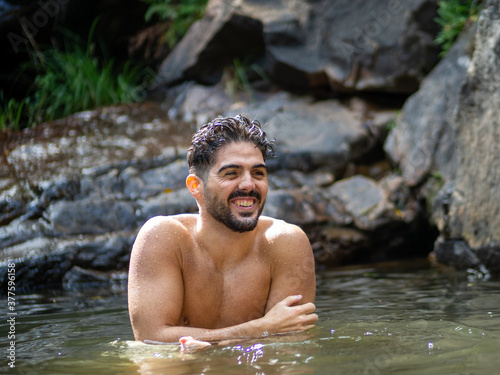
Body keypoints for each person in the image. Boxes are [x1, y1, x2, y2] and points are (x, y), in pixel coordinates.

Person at [128, 114, 317, 350]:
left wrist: (212, 343)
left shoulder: (285, 243)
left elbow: (289, 346)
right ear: (196, 186)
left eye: (258, 173)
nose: (249, 184)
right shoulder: (164, 237)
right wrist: (258, 329)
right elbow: (150, 338)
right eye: (231, 174)